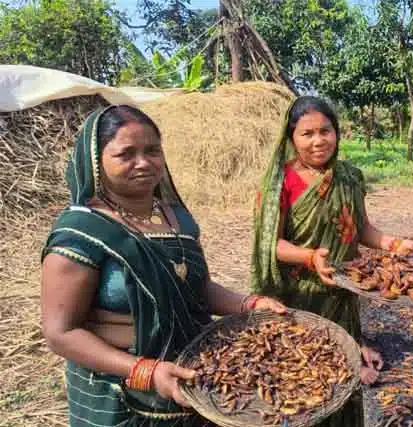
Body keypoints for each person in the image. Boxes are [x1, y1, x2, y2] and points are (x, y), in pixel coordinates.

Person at [40, 105, 286, 427]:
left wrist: (249, 304)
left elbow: (197, 290)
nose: (143, 162)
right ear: (96, 162)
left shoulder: (177, 218)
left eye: (152, 150)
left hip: (197, 377)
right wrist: (146, 371)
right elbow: (61, 333)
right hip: (120, 395)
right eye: (126, 154)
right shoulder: (82, 233)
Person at [250, 96, 413, 426]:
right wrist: (310, 256)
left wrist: (395, 244)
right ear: (291, 139)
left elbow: (360, 228)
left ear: (337, 132)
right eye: (307, 133)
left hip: (344, 289)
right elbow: (269, 245)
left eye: (325, 131)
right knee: (305, 377)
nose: (318, 141)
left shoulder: (348, 176)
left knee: (342, 377)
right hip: (300, 296)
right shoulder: (279, 183)